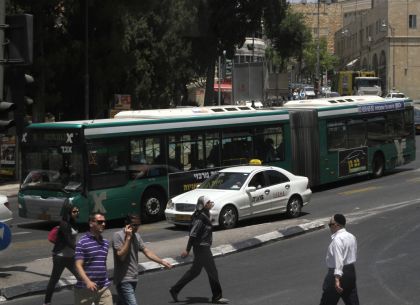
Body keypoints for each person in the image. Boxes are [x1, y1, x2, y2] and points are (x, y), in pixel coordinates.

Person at [169, 196, 229, 304]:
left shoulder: (205, 215)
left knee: (195, 272)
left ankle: (175, 289)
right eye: (209, 202)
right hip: (202, 248)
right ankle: (217, 297)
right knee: (212, 272)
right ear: (205, 205)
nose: (211, 203)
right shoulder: (200, 218)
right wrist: (187, 250)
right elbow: (193, 234)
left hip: (202, 248)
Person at [112, 214, 172, 305]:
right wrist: (128, 238)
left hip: (134, 278)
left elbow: (146, 251)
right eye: (134, 225)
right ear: (127, 224)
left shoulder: (137, 236)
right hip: (123, 279)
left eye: (138, 225)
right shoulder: (118, 236)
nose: (137, 228)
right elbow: (121, 256)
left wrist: (162, 262)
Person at [43, 201, 79, 305]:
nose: (77, 212)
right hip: (60, 257)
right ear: (68, 212)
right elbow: (68, 240)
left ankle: (87, 299)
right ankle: (47, 303)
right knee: (54, 280)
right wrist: (80, 249)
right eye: (74, 211)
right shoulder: (64, 224)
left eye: (77, 211)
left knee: (81, 277)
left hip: (71, 256)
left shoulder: (73, 222)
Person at [319, 214, 359, 305]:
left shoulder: (337, 239)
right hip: (350, 272)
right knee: (352, 300)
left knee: (327, 302)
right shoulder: (352, 236)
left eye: (330, 225)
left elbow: (339, 259)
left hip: (337, 273)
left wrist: (337, 279)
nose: (329, 227)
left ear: (336, 225)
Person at [74, 212, 113, 305]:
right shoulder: (82, 242)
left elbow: (102, 264)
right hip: (85, 289)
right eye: (100, 222)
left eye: (104, 222)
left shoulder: (106, 243)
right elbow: (78, 265)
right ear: (91, 223)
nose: (103, 224)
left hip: (103, 287)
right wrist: (88, 282)